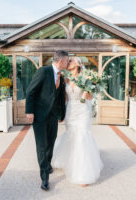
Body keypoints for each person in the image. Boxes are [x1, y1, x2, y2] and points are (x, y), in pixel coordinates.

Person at [51, 56, 103, 187]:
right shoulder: (65, 79)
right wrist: (60, 113)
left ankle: (83, 173)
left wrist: (87, 94)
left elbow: (91, 95)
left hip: (83, 111)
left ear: (78, 64)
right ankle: (68, 160)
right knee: (71, 135)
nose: (68, 62)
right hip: (70, 111)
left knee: (82, 138)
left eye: (70, 61)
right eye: (68, 61)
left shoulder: (88, 77)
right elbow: (64, 98)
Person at [25, 50, 68, 191]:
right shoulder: (44, 71)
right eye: (67, 60)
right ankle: (44, 178)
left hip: (53, 116)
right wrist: (29, 111)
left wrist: (62, 114)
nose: (68, 63)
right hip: (39, 115)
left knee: (51, 142)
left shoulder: (61, 78)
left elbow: (60, 98)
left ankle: (47, 165)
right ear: (61, 61)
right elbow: (31, 91)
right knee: (42, 145)